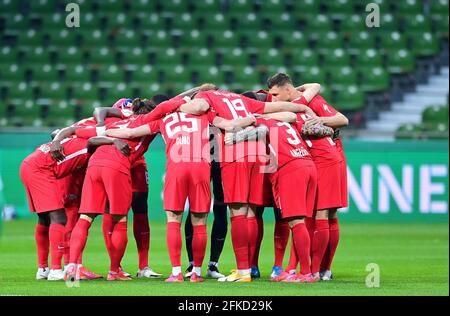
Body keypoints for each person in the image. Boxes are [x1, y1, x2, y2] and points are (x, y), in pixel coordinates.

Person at [194, 88, 317, 282]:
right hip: (261, 157)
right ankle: (284, 268)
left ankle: (245, 270)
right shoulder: (243, 101)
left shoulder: (205, 99)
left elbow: (222, 123)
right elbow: (285, 109)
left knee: (239, 213)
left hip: (235, 155)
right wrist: (305, 108)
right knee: (254, 212)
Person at [267, 73, 349, 280]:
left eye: (276, 94)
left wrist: (320, 119)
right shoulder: (300, 103)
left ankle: (317, 270)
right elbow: (315, 84)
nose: (273, 99)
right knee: (313, 217)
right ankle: (304, 268)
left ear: (287, 89)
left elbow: (342, 119)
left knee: (322, 215)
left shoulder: (311, 102)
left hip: (326, 160)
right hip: (318, 160)